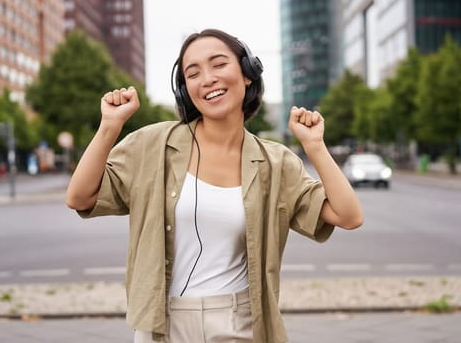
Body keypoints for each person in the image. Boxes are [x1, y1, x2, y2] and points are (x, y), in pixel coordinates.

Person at [65, 28, 364, 343]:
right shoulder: (153, 144)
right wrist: (110, 126)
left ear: (247, 74)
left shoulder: (276, 162)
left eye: (219, 64)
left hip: (239, 322)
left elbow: (348, 216)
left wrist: (315, 147)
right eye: (193, 73)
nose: (207, 78)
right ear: (185, 90)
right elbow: (80, 197)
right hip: (160, 324)